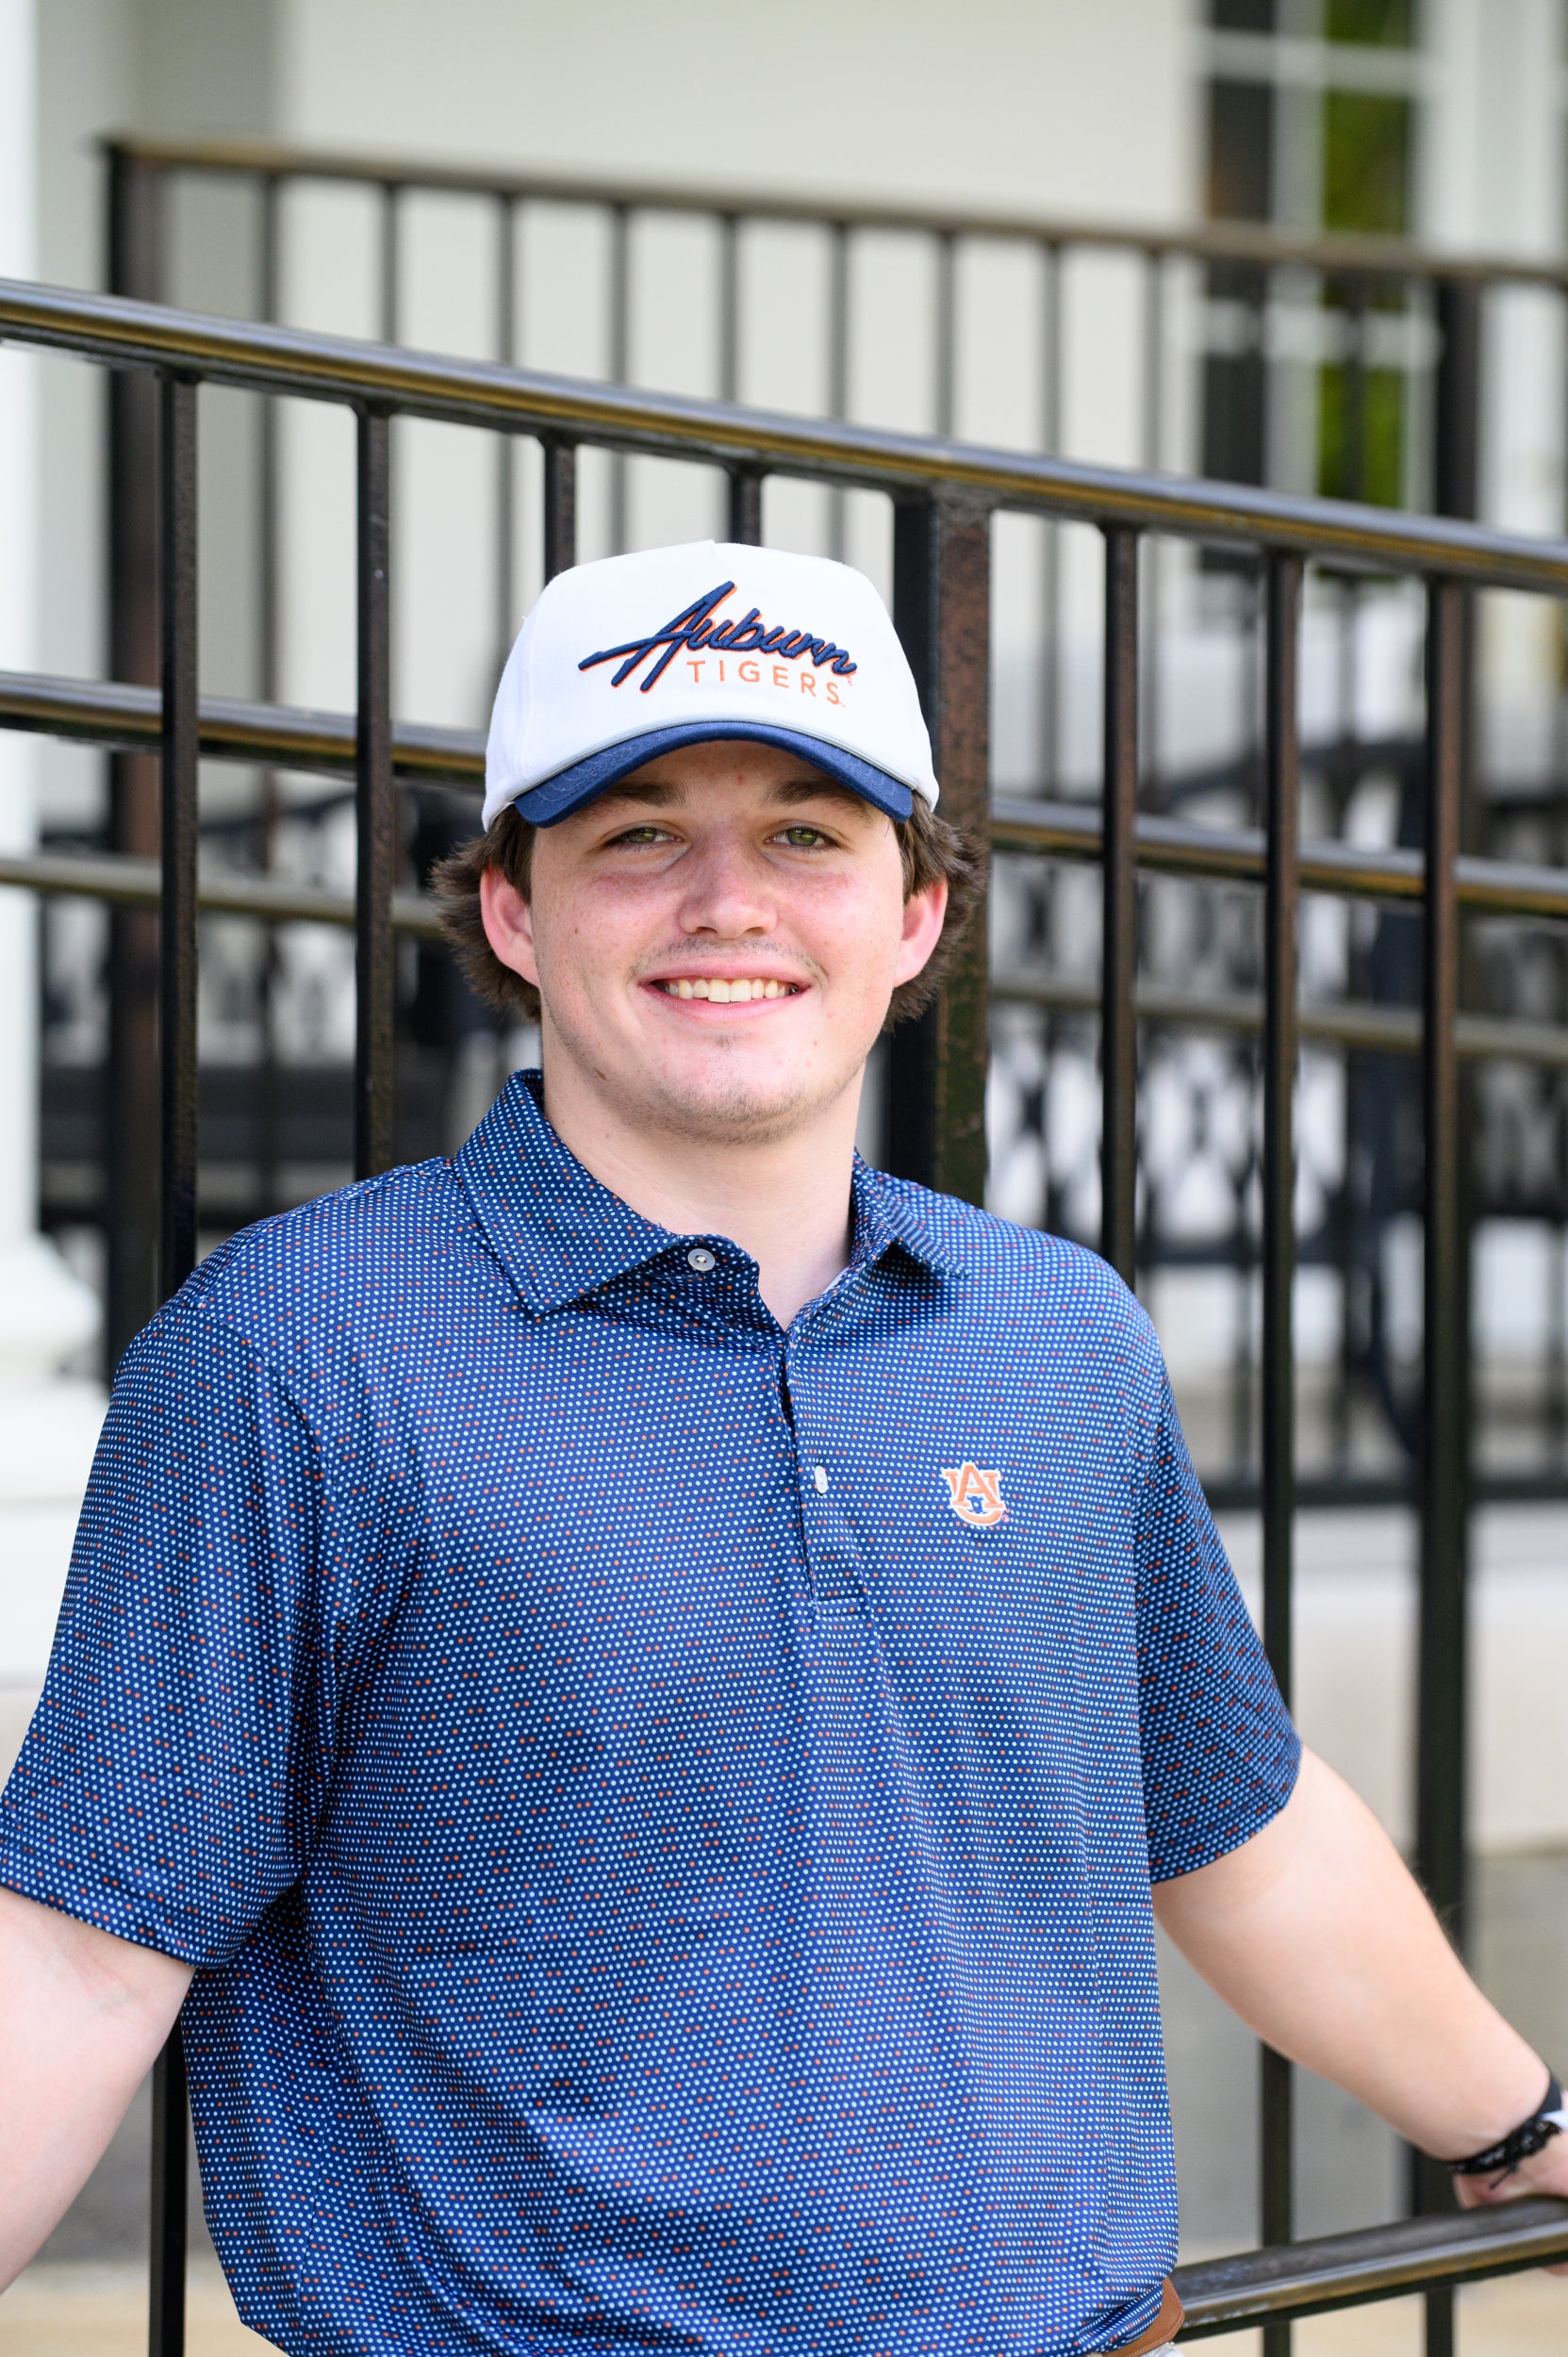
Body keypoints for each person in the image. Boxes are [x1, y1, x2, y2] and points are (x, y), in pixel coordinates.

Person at [0, 540, 1562, 2357]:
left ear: (915, 918)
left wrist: (1520, 2128)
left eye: (810, 836)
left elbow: (1243, 1828)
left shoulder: (1055, 1338)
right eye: (638, 834)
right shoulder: (304, 1349)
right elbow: (82, 1946)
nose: (726, 902)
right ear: (512, 908)